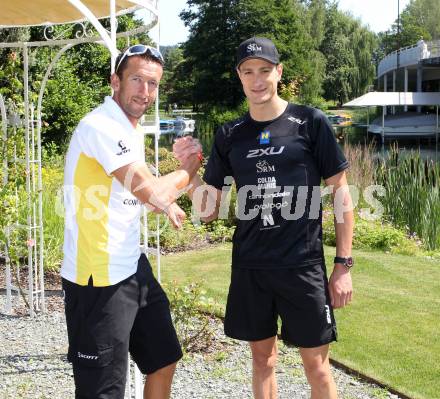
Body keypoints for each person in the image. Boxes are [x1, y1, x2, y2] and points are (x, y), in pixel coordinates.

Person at [174, 37, 354, 399]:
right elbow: (208, 211)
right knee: (263, 360)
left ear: (279, 72)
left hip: (302, 266)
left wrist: (343, 264)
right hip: (251, 267)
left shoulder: (310, 122)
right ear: (239, 77)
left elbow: (341, 193)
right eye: (248, 72)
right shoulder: (230, 135)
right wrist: (190, 175)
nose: (257, 80)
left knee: (317, 367)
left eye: (265, 71)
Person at [61, 44, 202, 399]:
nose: (145, 91)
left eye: (153, 84)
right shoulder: (100, 126)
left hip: (130, 266)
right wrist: (187, 171)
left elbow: (134, 192)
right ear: (115, 82)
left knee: (163, 358)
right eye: (137, 80)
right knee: (104, 391)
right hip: (98, 279)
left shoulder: (127, 129)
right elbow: (148, 190)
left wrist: (165, 202)